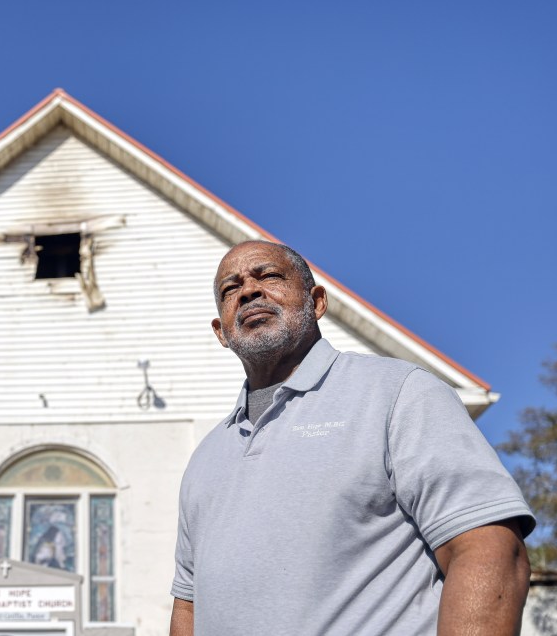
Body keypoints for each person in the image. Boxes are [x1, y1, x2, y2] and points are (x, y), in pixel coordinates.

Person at [170, 240, 534, 636]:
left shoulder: (400, 394)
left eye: (269, 276)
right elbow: (189, 606)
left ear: (317, 302)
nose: (248, 291)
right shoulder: (205, 458)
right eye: (230, 289)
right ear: (221, 332)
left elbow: (489, 551)